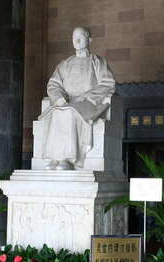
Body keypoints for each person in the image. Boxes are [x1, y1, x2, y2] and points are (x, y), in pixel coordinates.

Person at [38, 26, 116, 170]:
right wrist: (58, 97)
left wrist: (88, 95)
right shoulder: (64, 64)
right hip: (67, 101)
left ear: (89, 39)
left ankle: (68, 159)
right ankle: (55, 158)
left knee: (70, 112)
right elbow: (53, 84)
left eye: (81, 37)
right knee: (56, 111)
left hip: (89, 102)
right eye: (74, 37)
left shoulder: (98, 62)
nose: (77, 40)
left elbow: (108, 83)